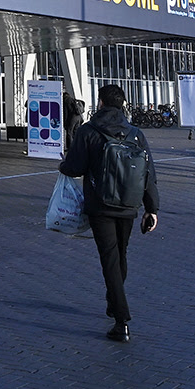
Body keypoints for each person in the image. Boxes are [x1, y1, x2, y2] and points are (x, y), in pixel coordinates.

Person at [57, 83, 160, 344]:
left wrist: (63, 165)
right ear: (122, 104)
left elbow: (74, 167)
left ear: (101, 102)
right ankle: (114, 302)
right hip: (129, 205)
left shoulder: (89, 131)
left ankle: (121, 319)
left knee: (109, 258)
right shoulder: (135, 133)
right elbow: (148, 172)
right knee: (120, 254)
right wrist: (152, 208)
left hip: (101, 205)